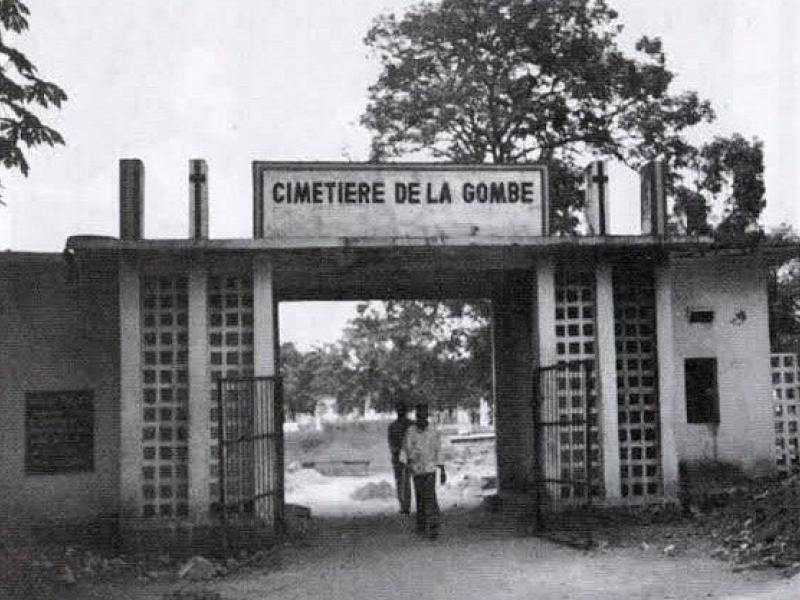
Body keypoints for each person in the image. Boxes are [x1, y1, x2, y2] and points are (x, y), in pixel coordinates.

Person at [401, 403, 446, 539]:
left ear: (426, 416)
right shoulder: (411, 432)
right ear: (416, 416)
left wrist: (442, 469)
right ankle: (421, 524)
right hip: (417, 469)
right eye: (419, 415)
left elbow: (439, 450)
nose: (421, 418)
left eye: (423, 415)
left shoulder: (433, 431)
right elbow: (406, 450)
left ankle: (433, 525)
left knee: (430, 496)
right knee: (420, 497)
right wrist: (407, 465)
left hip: (430, 469)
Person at [387, 403, 413, 514]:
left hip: (407, 456)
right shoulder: (395, 426)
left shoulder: (410, 425)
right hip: (399, 456)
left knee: (403, 481)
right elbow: (391, 442)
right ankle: (404, 505)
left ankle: (405, 505)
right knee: (403, 481)